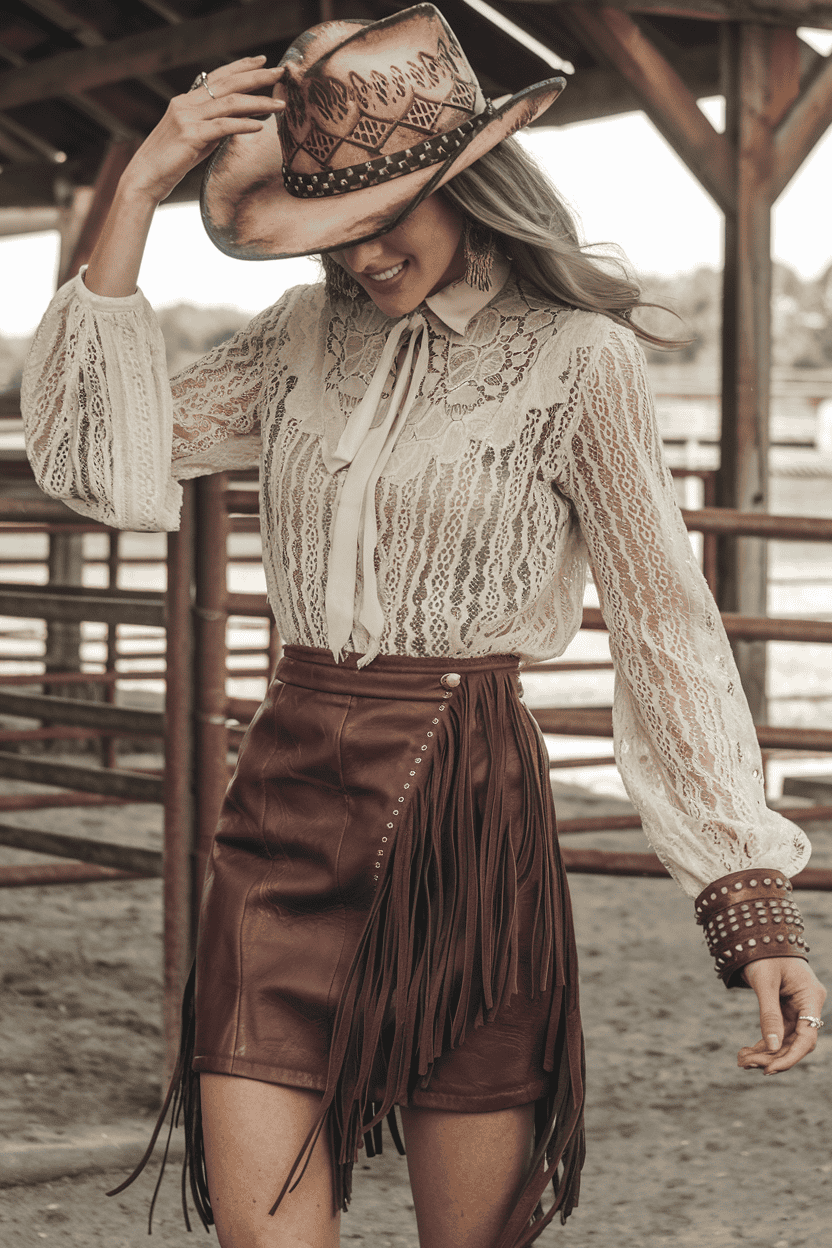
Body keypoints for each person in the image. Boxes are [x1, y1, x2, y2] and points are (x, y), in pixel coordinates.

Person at [21, 7, 826, 1248]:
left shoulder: (575, 361)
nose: (355, 256)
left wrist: (747, 896)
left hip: (464, 815)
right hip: (280, 808)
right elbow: (95, 460)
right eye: (330, 228)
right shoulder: (293, 341)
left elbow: (666, 622)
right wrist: (137, 188)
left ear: (470, 182)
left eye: (380, 216)